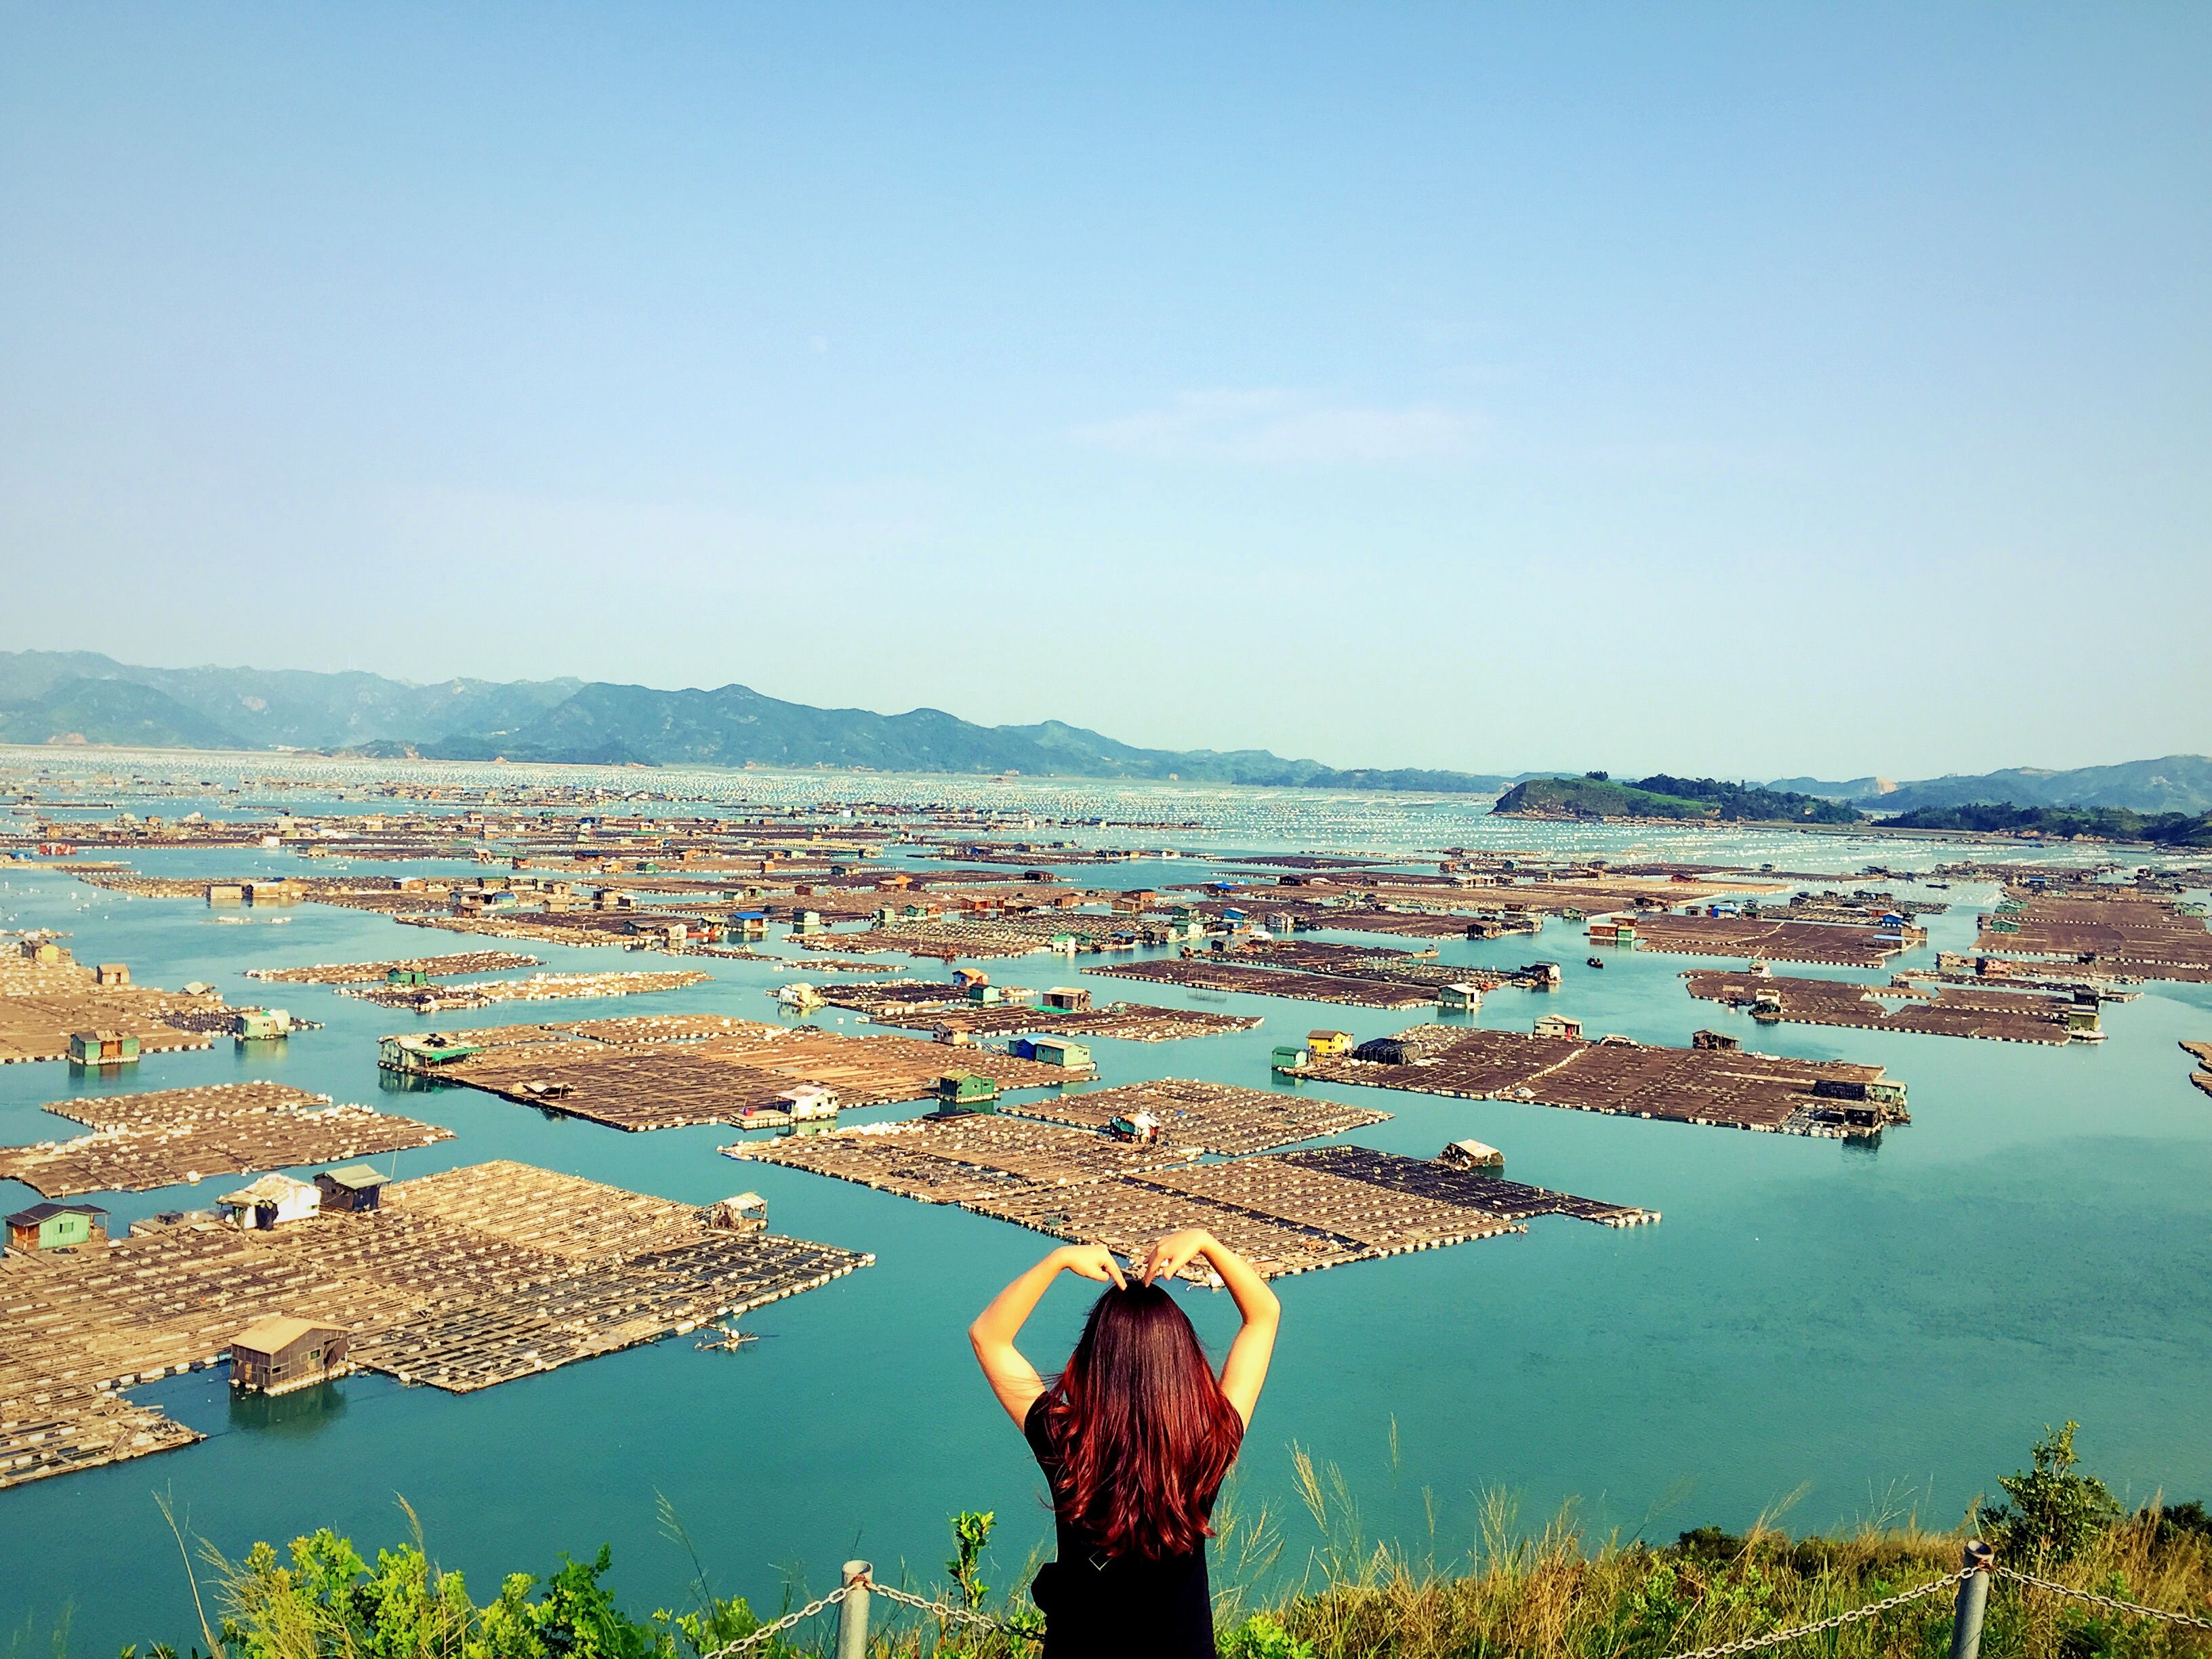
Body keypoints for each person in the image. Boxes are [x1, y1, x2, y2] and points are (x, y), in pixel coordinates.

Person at [968, 1229, 1282, 1658]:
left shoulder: (1067, 1444)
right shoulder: (1209, 1442)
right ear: (1183, 1361)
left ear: (1094, 1360)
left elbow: (988, 1336)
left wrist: (1058, 1260)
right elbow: (1263, 1315)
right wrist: (1206, 1243)